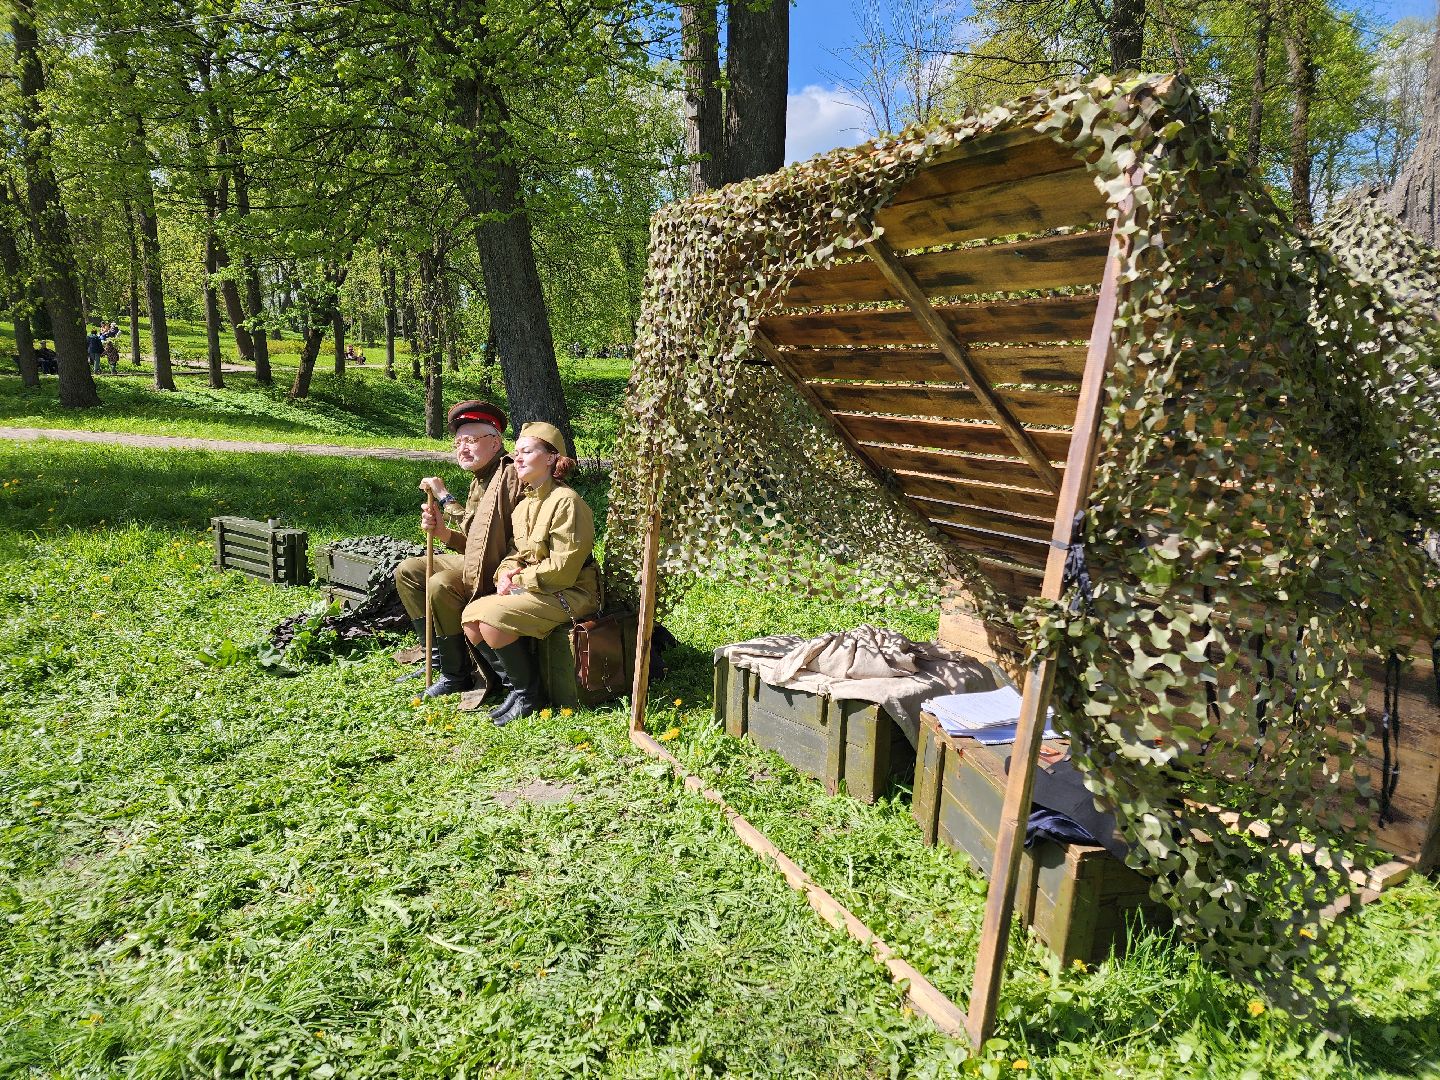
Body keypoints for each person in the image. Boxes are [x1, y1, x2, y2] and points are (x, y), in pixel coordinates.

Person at [463, 421, 598, 726]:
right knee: (471, 619)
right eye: (516, 452)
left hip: (572, 593)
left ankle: (530, 697)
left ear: (550, 458)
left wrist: (520, 580)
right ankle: (516, 688)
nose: (517, 458)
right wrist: (504, 574)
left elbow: (563, 570)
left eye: (526, 451)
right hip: (540, 587)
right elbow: (516, 552)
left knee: (492, 620)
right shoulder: (524, 504)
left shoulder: (567, 502)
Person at [393, 400, 525, 698]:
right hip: (483, 559)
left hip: (504, 566)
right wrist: (442, 533)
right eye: (458, 442)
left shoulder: (507, 475)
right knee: (409, 570)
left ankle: (456, 674)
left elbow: (489, 538)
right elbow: (475, 540)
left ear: (495, 443)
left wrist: (444, 497)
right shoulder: (481, 477)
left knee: (441, 584)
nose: (462, 448)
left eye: (471, 441)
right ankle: (437, 658)